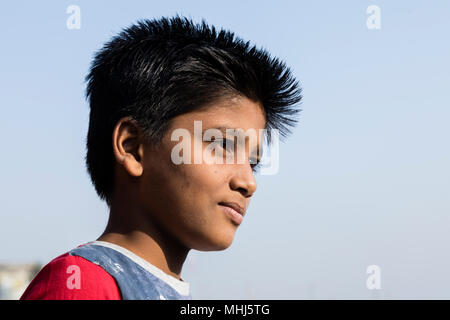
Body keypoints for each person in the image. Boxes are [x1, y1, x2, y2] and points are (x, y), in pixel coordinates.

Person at [21, 15, 302, 300]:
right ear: (132, 147)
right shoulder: (81, 285)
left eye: (252, 163)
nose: (248, 182)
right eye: (222, 145)